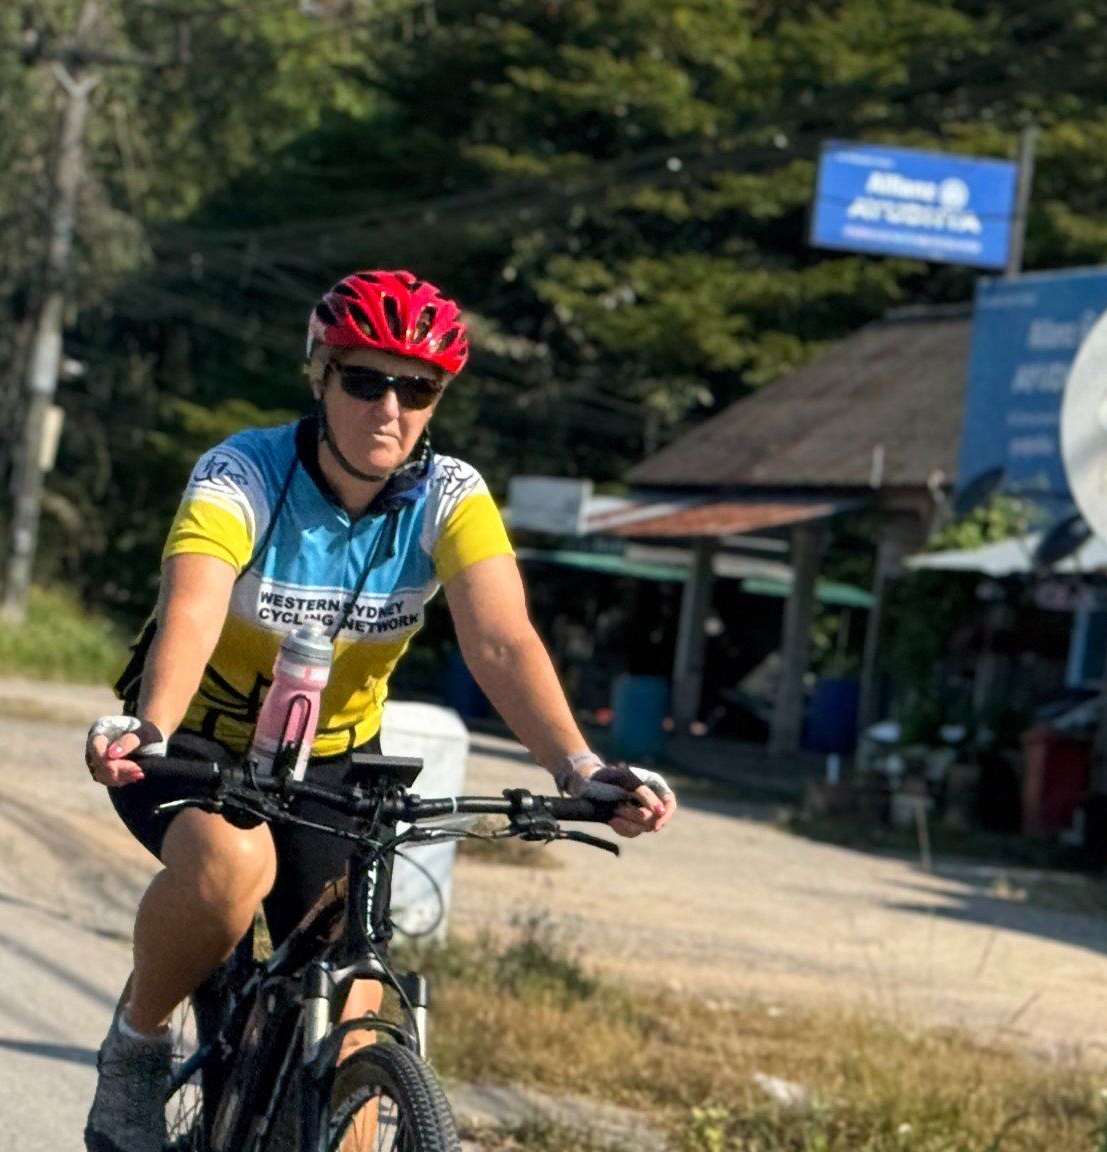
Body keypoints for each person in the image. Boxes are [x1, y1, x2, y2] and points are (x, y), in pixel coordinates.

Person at [79, 270, 679, 1152]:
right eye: (365, 380)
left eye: (418, 388)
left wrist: (581, 769)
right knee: (232, 867)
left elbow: (503, 642)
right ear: (320, 374)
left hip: (333, 764)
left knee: (355, 1025)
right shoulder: (243, 472)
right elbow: (195, 609)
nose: (389, 408)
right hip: (197, 742)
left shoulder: (452, 497)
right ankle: (136, 1046)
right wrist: (153, 724)